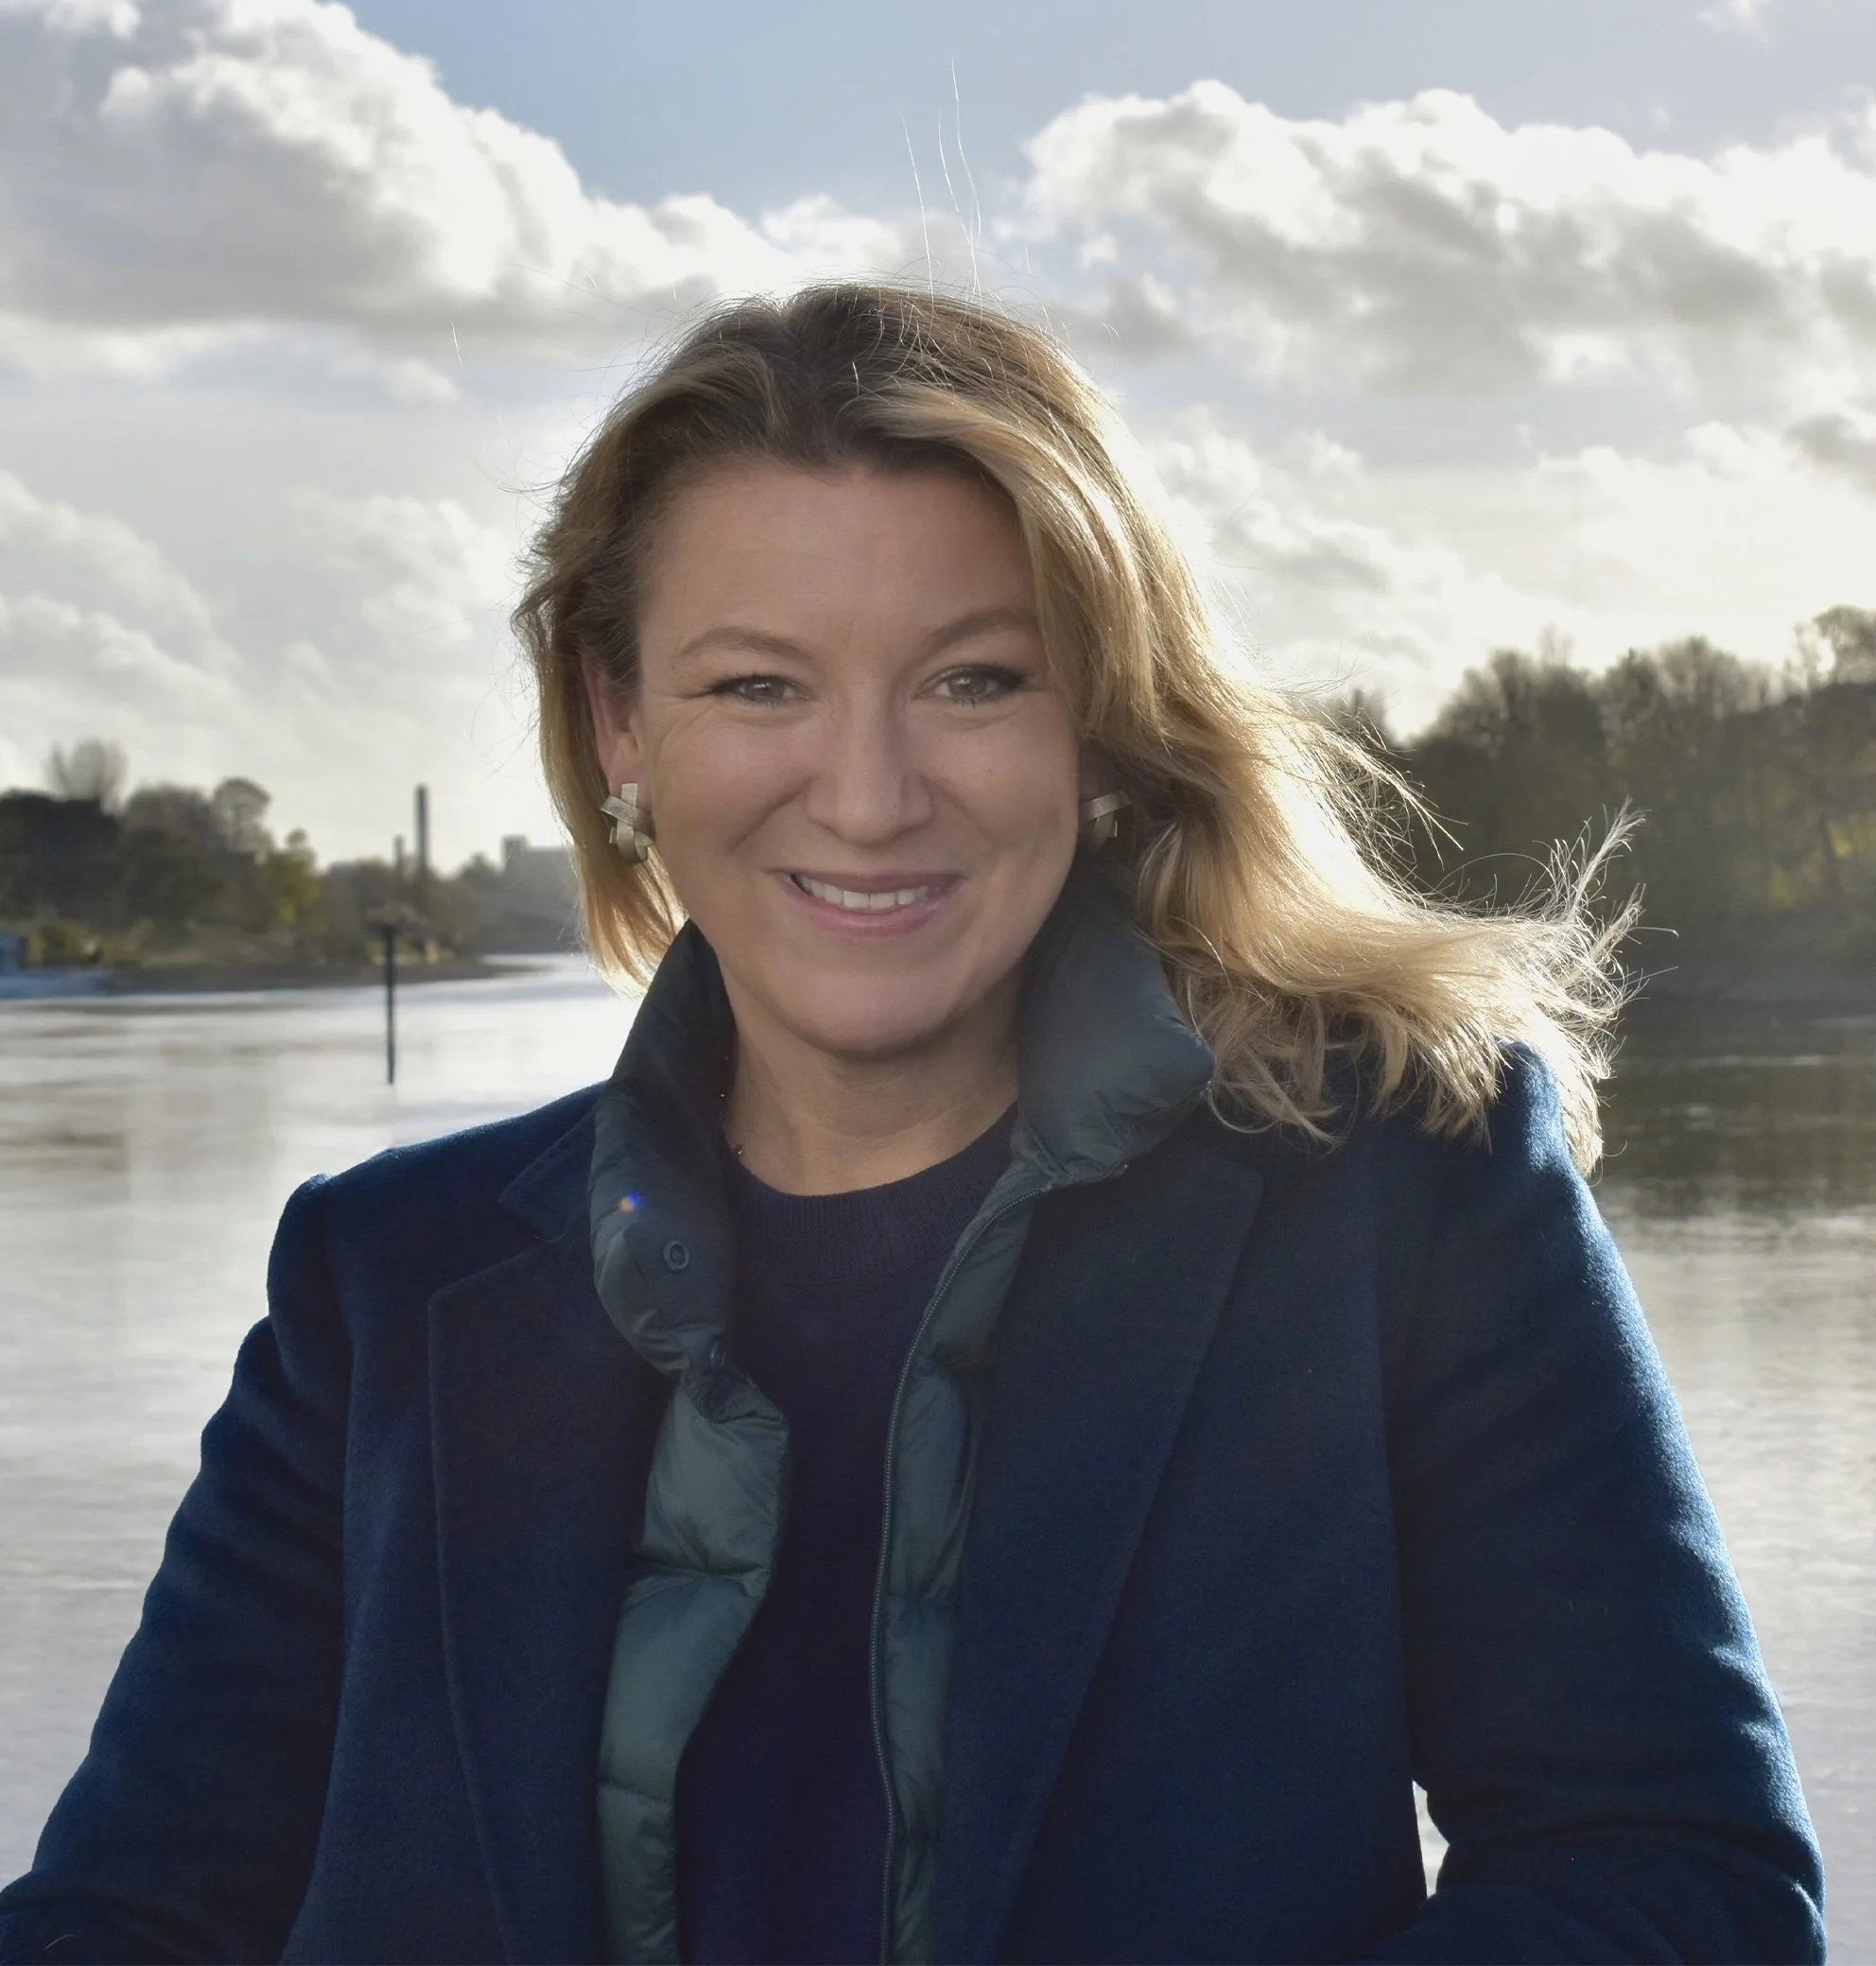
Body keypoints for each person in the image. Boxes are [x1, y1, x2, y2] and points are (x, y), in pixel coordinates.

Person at [0, 284, 1822, 1966]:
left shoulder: (1399, 1188)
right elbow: (136, 1919)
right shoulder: (383, 1278)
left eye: (975, 679)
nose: (867, 798)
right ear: (615, 718)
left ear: (1102, 721)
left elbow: (1674, 1880)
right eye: (755, 685)